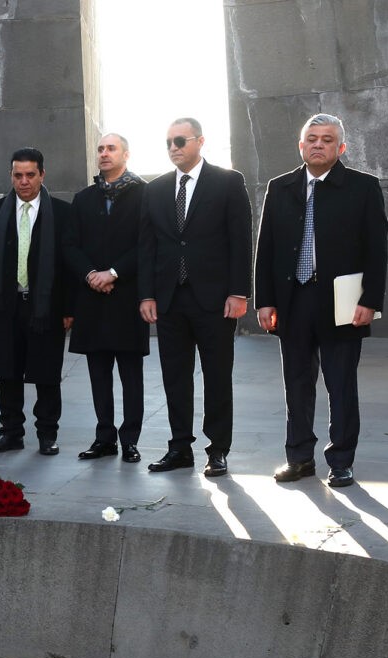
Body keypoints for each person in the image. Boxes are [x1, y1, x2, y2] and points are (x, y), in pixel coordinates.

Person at [255, 114, 387, 488]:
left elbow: (377, 251)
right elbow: (266, 248)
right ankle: (299, 458)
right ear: (301, 146)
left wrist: (370, 301)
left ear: (340, 147)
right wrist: (265, 300)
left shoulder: (363, 187)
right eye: (311, 138)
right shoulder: (279, 188)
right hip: (293, 301)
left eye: (327, 139)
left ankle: (341, 460)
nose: (318, 144)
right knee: (296, 384)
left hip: (343, 303)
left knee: (341, 384)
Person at [138, 118, 251, 477]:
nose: (174, 147)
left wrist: (238, 291)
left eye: (181, 140)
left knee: (218, 376)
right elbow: (147, 247)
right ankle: (179, 447)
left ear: (200, 141)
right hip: (170, 299)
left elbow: (240, 241)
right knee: (174, 376)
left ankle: (217, 449)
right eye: (169, 141)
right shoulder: (153, 190)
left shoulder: (228, 182)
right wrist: (146, 295)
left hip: (216, 299)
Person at [0, 147, 73, 456]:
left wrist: (69, 308)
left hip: (46, 306)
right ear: (11, 176)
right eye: (18, 175)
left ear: (42, 175)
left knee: (46, 373)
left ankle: (47, 434)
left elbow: (69, 265)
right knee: (8, 372)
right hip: (5, 304)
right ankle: (11, 433)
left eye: (31, 175)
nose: (24, 181)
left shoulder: (62, 212)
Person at [67, 134, 149, 463]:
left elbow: (147, 244)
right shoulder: (84, 198)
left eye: (111, 148)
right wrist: (91, 275)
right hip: (92, 299)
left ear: (126, 154)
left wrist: (113, 273)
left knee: (131, 376)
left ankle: (130, 440)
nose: (104, 153)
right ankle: (104, 438)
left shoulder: (145, 194)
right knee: (98, 374)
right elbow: (70, 246)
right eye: (100, 148)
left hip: (127, 297)